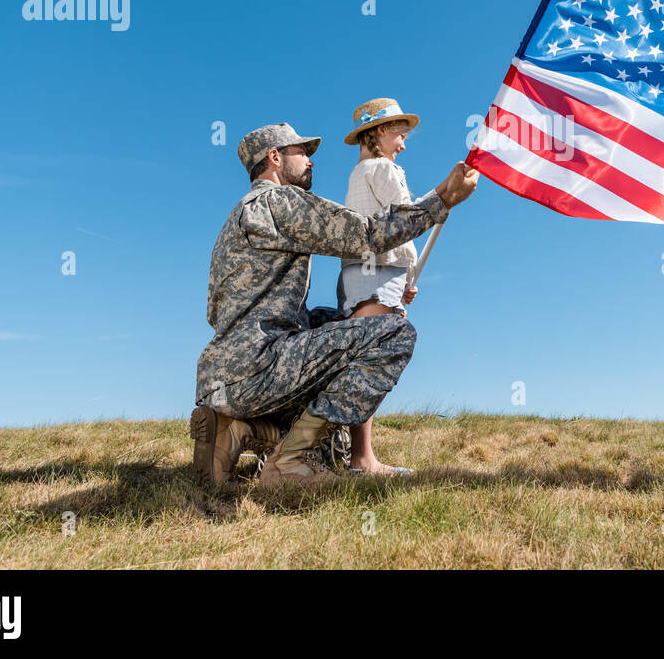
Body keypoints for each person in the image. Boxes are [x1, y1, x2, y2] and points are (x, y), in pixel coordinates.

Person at [191, 122, 478, 487]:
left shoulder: (236, 217)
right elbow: (366, 235)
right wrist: (442, 198)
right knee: (392, 334)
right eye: (302, 152)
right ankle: (290, 461)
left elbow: (215, 312)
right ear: (275, 157)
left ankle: (237, 429)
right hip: (259, 370)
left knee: (334, 330)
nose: (311, 161)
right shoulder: (278, 202)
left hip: (224, 378)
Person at [338, 98, 423, 476]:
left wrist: (404, 278)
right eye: (398, 135)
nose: (402, 144)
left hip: (363, 274)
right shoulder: (383, 169)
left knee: (362, 359)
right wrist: (444, 198)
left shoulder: (358, 173)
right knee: (370, 362)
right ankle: (363, 460)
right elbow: (408, 219)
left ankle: (360, 457)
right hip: (376, 274)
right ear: (377, 133)